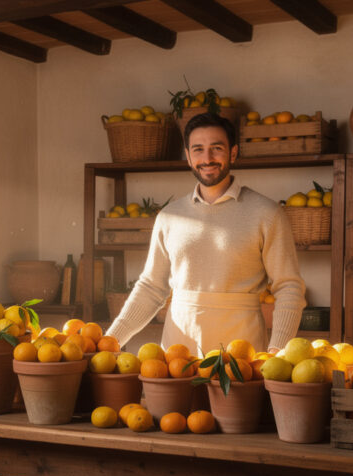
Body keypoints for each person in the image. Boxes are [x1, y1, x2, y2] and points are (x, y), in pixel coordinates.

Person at [106, 112, 306, 356]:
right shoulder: (169, 216)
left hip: (243, 352)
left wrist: (278, 351)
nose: (207, 158)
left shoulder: (267, 213)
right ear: (188, 156)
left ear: (233, 153)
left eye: (217, 148)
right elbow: (150, 287)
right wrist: (110, 340)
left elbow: (289, 287)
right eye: (198, 149)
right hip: (177, 352)